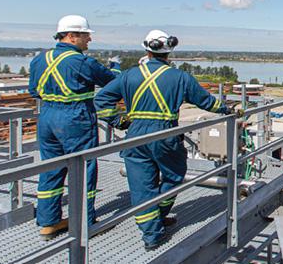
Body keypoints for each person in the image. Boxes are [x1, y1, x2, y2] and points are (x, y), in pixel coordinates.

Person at [94, 30, 230, 250]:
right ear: (170, 50)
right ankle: (158, 214)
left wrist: (118, 122)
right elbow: (206, 102)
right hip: (165, 134)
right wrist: (227, 109)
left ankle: (151, 233)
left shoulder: (129, 75)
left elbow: (100, 99)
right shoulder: (179, 77)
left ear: (146, 50)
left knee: (140, 187)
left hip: (135, 136)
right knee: (173, 175)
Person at [28, 15, 120, 240]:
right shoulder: (81, 61)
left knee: (51, 168)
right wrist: (116, 67)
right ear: (71, 35)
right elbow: (113, 82)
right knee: (83, 168)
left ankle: (48, 222)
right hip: (75, 118)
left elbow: (34, 91)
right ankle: (84, 222)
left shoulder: (39, 59)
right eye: (86, 35)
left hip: (47, 116)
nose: (89, 39)